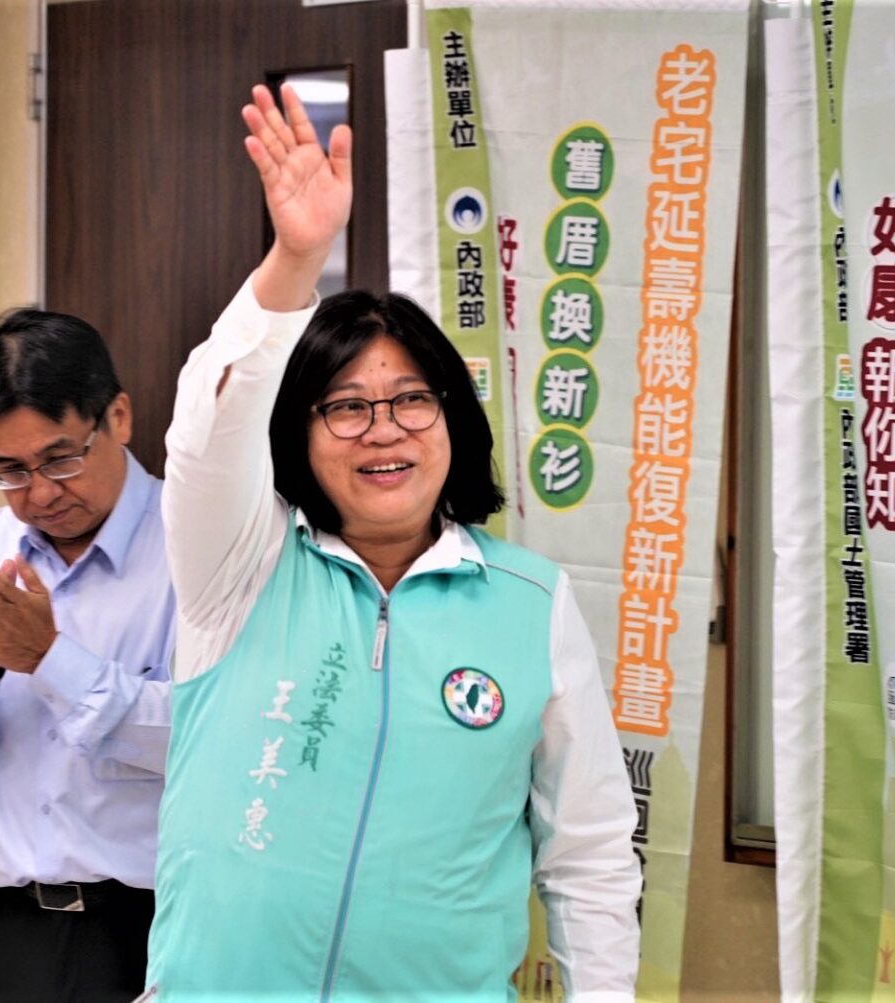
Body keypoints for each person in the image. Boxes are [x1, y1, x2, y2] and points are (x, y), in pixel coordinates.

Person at [145, 85, 640, 1000]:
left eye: (413, 399)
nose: (384, 431)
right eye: (346, 407)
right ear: (299, 432)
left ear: (452, 418)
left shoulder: (530, 601)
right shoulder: (239, 564)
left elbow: (590, 854)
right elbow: (207, 430)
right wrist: (297, 260)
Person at [0, 308, 176, 1002]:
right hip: (19, 929)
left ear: (119, 417)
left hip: (159, 921)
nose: (41, 492)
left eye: (61, 458)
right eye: (10, 470)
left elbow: (212, 739)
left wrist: (48, 659)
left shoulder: (192, 545)